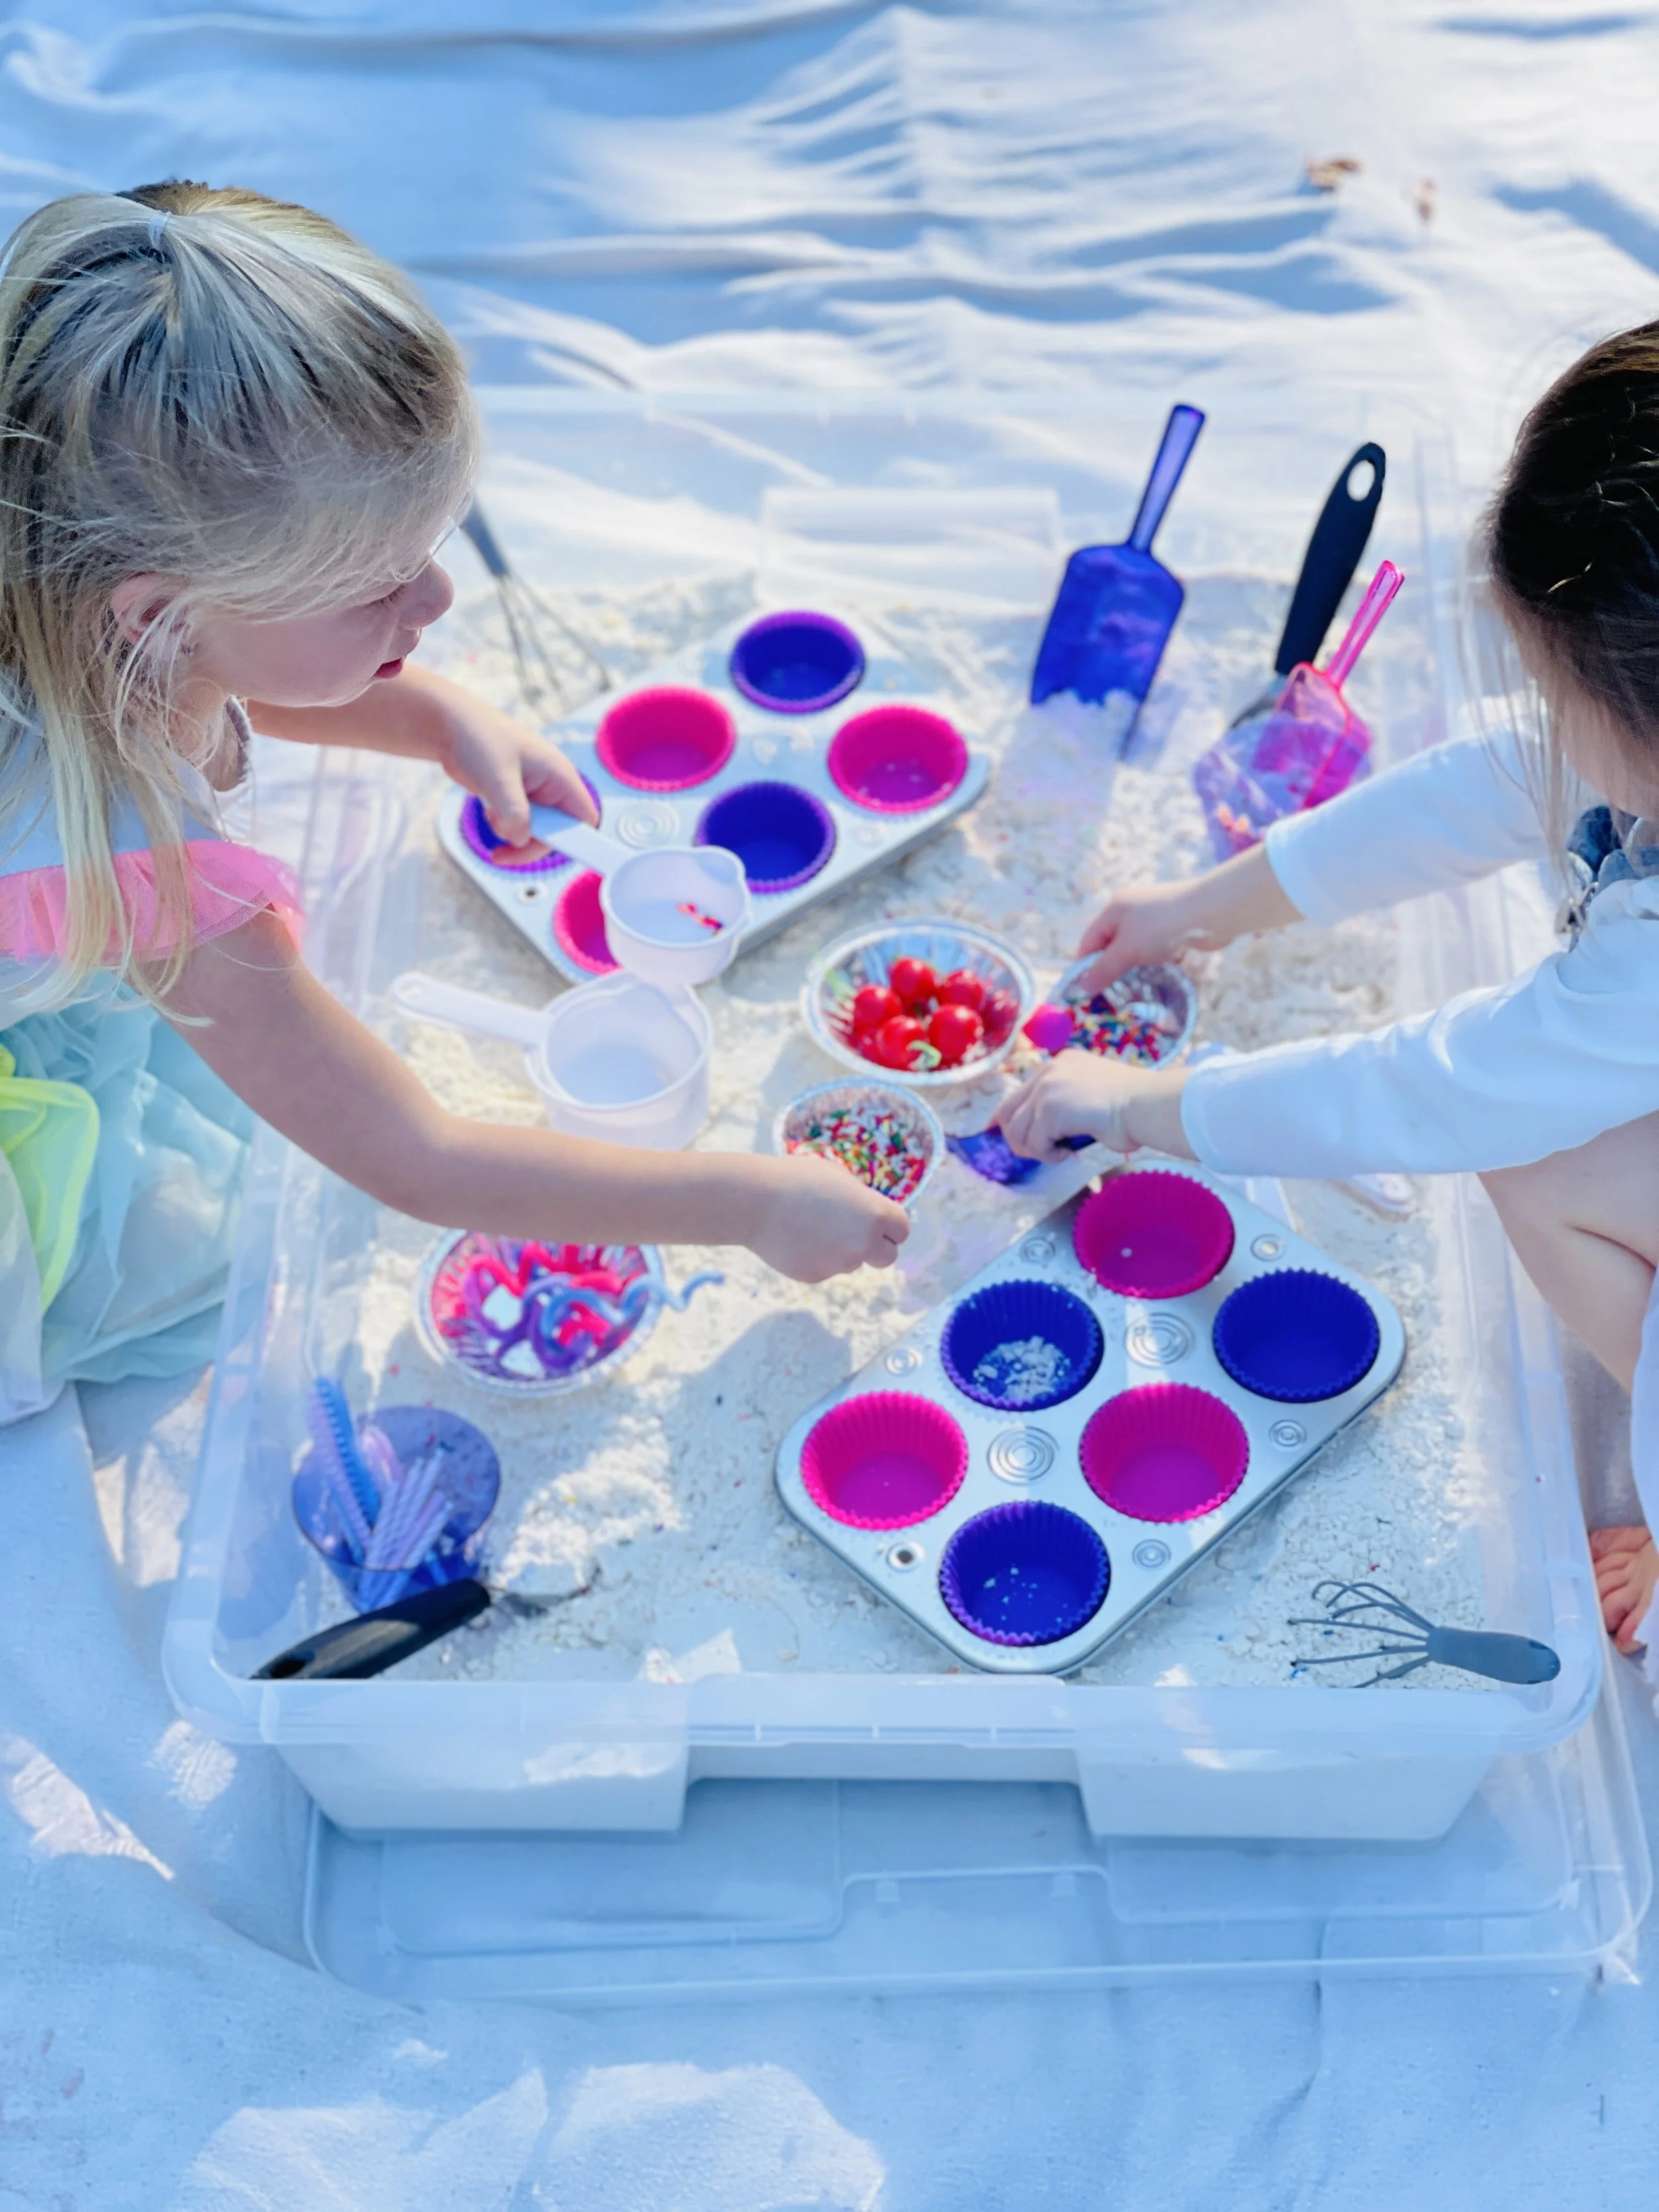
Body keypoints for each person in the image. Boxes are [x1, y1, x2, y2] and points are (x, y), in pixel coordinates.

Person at [0, 182, 905, 1422]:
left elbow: (205, 668)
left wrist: (429, 718)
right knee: (183, 1237)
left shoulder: (54, 565)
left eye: (436, 547)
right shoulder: (153, 880)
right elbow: (413, 1155)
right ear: (157, 613)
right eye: (374, 588)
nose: (434, 605)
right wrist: (746, 1202)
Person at [1003, 320, 1659, 1678]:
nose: (1535, 715)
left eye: (1551, 686)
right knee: (1543, 1162)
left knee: (1522, 1142)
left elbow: (1433, 1088)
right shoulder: (1628, 747)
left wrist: (1137, 1102)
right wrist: (1207, 905)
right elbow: (1492, 782)